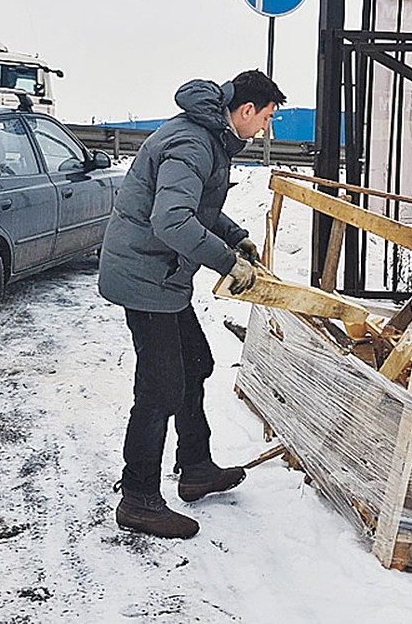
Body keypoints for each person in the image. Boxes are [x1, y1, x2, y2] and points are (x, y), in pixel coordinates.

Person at [98, 70, 286, 539]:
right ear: (245, 111)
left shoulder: (206, 137)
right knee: (160, 387)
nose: (264, 129)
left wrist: (234, 236)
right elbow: (172, 221)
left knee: (195, 362)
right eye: (265, 118)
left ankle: (196, 467)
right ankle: (139, 499)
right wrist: (228, 264)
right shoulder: (194, 143)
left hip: (161, 275)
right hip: (145, 277)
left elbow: (196, 207)